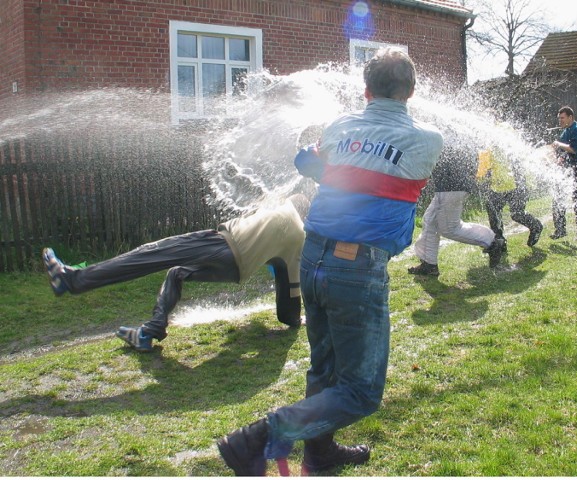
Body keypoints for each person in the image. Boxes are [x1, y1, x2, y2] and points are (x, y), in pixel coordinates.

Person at [216, 48, 443, 476]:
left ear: (365, 89)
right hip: (356, 269)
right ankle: (258, 438)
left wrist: (319, 155)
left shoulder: (340, 126)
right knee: (360, 391)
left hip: (314, 255)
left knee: (324, 368)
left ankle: (319, 454)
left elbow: (309, 163)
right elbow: (377, 172)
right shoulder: (427, 139)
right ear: (411, 91)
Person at [42, 195, 309, 352]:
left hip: (219, 243)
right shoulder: (296, 238)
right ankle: (149, 332)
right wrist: (296, 320)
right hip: (234, 269)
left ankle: (72, 280)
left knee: (150, 253)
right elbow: (288, 299)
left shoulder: (280, 204)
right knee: (177, 272)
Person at [407, 136, 505, 277]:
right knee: (430, 221)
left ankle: (492, 242)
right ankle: (429, 264)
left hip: (450, 189)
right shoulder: (452, 138)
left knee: (450, 229)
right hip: (452, 188)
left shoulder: (436, 137)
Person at [476, 130, 543, 251]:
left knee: (516, 214)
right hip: (499, 185)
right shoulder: (489, 141)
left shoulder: (503, 132)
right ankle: (499, 241)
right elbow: (485, 166)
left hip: (516, 182)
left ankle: (536, 226)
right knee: (493, 210)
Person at [550, 106, 577, 246]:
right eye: (559, 118)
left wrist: (558, 144)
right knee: (558, 195)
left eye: (562, 118)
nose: (560, 121)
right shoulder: (566, 131)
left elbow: (573, 149)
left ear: (570, 117)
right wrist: (560, 159)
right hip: (570, 169)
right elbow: (564, 151)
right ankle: (560, 229)